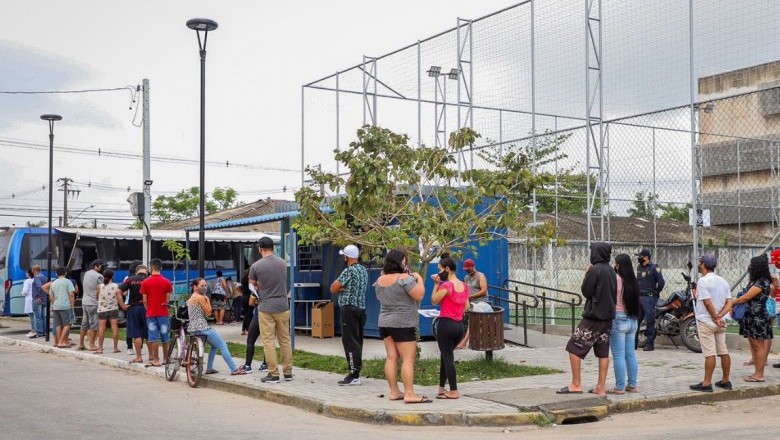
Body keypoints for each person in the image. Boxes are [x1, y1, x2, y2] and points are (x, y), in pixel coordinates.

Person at [558, 242, 616, 397]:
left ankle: (576, 384)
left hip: (593, 317)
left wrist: (587, 273)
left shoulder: (594, 270)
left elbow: (586, 291)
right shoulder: (611, 271)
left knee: (573, 346)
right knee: (603, 352)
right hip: (608, 318)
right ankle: (601, 387)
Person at [375, 248, 428, 403]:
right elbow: (419, 295)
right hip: (403, 323)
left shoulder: (380, 280)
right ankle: (410, 394)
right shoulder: (404, 278)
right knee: (408, 359)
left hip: (384, 322)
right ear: (401, 261)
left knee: (391, 357)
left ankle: (394, 392)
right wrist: (419, 279)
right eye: (405, 260)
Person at [722, 255, 773, 382]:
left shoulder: (762, 282)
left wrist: (732, 303)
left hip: (758, 318)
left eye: (752, 264)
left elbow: (746, 297)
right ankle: (756, 372)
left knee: (759, 346)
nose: (749, 266)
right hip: (750, 317)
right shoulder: (756, 281)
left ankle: (759, 374)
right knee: (754, 345)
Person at [249, 237, 293, 383]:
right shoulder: (282, 263)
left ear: (260, 248)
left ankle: (273, 373)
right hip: (283, 305)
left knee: (268, 341)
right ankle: (288, 372)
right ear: (273, 248)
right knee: (285, 340)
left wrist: (257, 291)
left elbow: (252, 285)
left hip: (266, 307)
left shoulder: (256, 266)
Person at [688, 254, 732, 392]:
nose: (699, 265)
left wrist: (715, 317)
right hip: (720, 322)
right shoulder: (723, 281)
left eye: (700, 263)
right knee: (723, 351)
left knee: (710, 353)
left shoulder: (702, 281)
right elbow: (730, 302)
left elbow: (707, 302)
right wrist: (720, 316)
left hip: (706, 321)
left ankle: (706, 383)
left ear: (704, 264)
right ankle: (725, 380)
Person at [187, 278, 246, 376]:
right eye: (202, 286)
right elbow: (209, 312)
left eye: (205, 285)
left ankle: (209, 368)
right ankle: (234, 369)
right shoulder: (201, 297)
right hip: (203, 328)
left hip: (193, 329)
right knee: (222, 345)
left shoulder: (192, 297)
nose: (205, 287)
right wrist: (207, 300)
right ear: (195, 286)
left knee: (214, 346)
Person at [431, 255, 469, 400]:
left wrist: (436, 284)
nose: (439, 273)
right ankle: (442, 387)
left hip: (446, 324)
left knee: (447, 356)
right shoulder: (464, 286)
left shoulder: (446, 285)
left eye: (440, 270)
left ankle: (453, 390)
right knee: (445, 355)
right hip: (459, 326)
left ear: (447, 269)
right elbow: (466, 306)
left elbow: (434, 300)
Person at [330, 244, 368, 386]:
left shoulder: (348, 271)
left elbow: (333, 287)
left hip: (349, 310)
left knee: (349, 342)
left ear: (347, 257)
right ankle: (356, 371)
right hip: (361, 309)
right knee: (358, 341)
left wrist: (341, 288)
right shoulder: (364, 270)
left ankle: (354, 374)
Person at [609, 253, 642, 394]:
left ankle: (620, 387)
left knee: (618, 354)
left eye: (616, 263)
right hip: (632, 319)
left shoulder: (616, 279)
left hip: (618, 318)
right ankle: (632, 385)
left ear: (619, 265)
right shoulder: (634, 281)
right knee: (630, 354)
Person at [140, 258, 173, 367]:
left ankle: (156, 360)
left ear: (151, 268)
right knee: (165, 337)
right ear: (161, 268)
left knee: (153, 338)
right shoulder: (167, 282)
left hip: (151, 313)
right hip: (163, 313)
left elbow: (144, 300)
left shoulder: (145, 282)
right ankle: (165, 359)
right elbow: (167, 300)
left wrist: (148, 308)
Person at [117, 264, 149, 364]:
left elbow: (118, 291)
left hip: (133, 308)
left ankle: (139, 357)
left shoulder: (130, 279)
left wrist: (122, 305)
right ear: (146, 271)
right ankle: (152, 355)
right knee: (149, 334)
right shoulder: (149, 279)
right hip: (147, 308)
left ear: (136, 272)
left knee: (136, 333)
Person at [635, 248, 665, 351]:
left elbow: (661, 282)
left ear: (646, 257)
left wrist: (656, 292)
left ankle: (649, 343)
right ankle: (634, 343)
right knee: (636, 320)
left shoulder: (654, 268)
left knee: (650, 320)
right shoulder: (639, 267)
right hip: (639, 297)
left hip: (649, 298)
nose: (639, 259)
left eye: (641, 257)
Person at [457, 258, 488, 349]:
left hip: (481, 302)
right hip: (469, 302)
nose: (467, 271)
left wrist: (471, 297)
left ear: (473, 267)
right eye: (465, 270)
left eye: (468, 269)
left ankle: (465, 341)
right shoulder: (466, 278)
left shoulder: (480, 276)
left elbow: (484, 291)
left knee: (472, 319)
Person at [237, 287, 268, 374]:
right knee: (267, 341)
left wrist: (256, 301)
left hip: (258, 316)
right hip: (269, 317)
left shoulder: (258, 289)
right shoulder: (274, 288)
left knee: (250, 341)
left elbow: (251, 303)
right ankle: (266, 364)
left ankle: (247, 365)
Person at [44, 266, 75, 348]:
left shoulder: (53, 283)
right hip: (65, 306)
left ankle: (58, 342)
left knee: (58, 325)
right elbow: (71, 294)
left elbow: (51, 296)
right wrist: (72, 306)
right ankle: (62, 342)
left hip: (56, 306)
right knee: (67, 324)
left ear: (56, 274)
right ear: (65, 273)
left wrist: (54, 304)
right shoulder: (68, 282)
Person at [78, 259, 105, 351]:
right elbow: (101, 289)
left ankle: (81, 344)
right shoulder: (99, 276)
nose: (101, 267)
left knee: (84, 324)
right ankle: (92, 345)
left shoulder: (86, 273)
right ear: (95, 266)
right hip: (93, 302)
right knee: (94, 325)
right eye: (100, 266)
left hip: (85, 302)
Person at [96, 269, 120, 354]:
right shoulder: (116, 286)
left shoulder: (100, 286)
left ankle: (100, 348)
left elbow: (97, 297)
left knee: (101, 328)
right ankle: (115, 348)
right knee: (114, 327)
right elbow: (119, 296)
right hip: (113, 309)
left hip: (102, 309)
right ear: (112, 277)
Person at [31, 265, 49, 338]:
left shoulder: (36, 277)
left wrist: (38, 297)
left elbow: (39, 287)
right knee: (42, 316)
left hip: (38, 299)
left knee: (37, 317)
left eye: (33, 271)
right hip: (44, 298)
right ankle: (44, 331)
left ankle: (39, 332)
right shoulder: (44, 277)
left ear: (34, 270)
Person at [22, 269, 36, 338]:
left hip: (29, 300)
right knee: (35, 315)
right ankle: (35, 330)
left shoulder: (27, 281)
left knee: (32, 316)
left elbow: (25, 291)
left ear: (28, 273)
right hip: (35, 299)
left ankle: (34, 330)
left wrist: (22, 293)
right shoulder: (35, 280)